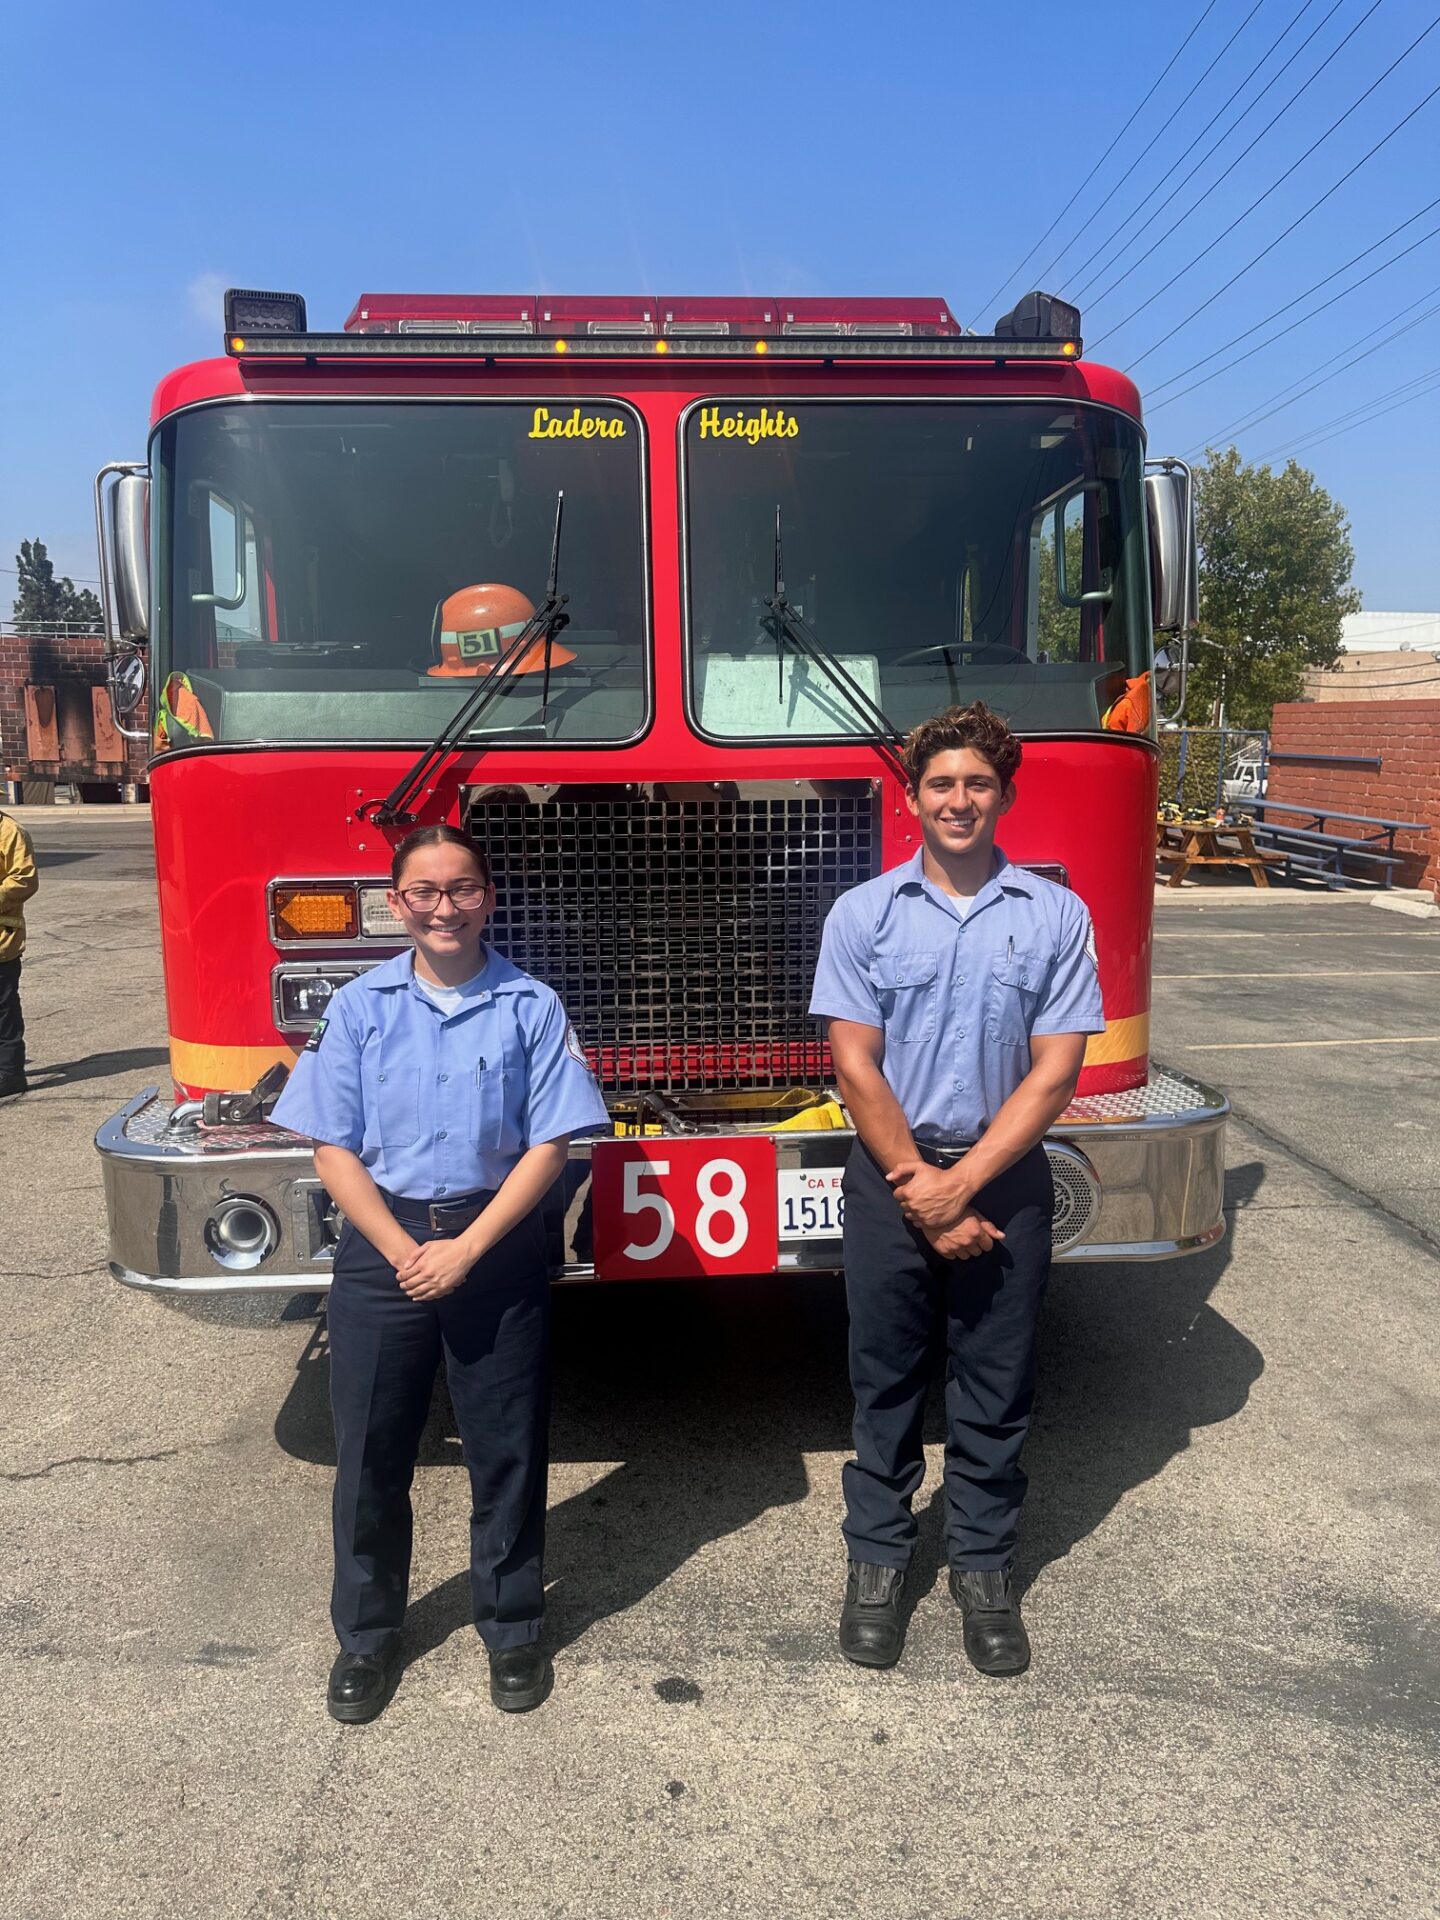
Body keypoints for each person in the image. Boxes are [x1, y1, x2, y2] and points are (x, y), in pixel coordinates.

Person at [271, 822, 609, 1722]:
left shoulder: (531, 1006)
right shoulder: (359, 1008)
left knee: (507, 1448)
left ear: (488, 898)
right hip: (384, 1251)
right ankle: (368, 1640)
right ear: (397, 902)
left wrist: (468, 1248)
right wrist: (399, 1250)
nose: (443, 907)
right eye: (424, 891)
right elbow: (331, 1144)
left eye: (461, 889)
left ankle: (511, 1626)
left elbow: (552, 1145)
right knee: (371, 1455)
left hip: (491, 1245)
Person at [808, 702, 1105, 1677]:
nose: (960, 799)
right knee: (884, 1379)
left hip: (1004, 1176)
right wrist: (916, 1185)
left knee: (995, 1383)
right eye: (942, 783)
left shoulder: (1057, 915)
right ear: (913, 797)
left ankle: (982, 1569)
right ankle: (879, 1567)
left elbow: (1055, 1074)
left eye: (978, 783)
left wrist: (962, 1184)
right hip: (891, 1174)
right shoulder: (863, 914)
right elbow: (854, 1064)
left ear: (1005, 796)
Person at [0, 803, 39, 1097]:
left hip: (2, 938)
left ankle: (11, 1074)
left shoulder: (9, 831)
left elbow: (24, 879)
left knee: (3, 1008)